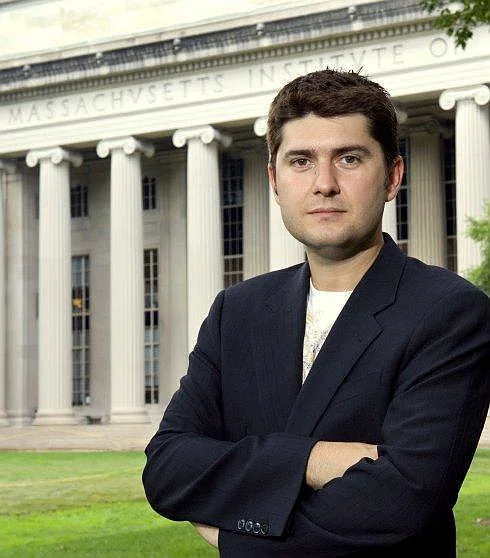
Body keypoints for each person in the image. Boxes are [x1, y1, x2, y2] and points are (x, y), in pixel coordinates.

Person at [142, 68, 490, 557]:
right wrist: (316, 458)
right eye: (301, 161)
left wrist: (238, 535)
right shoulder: (236, 311)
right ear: (275, 181)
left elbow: (403, 500)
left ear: (392, 176)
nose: (324, 183)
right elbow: (167, 470)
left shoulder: (449, 311)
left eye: (349, 158)